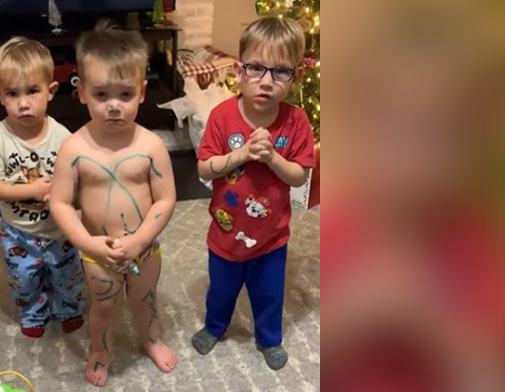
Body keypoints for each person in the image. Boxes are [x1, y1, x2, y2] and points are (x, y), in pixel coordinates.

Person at [49, 21, 178, 387]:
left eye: (124, 95)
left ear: (141, 92)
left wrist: (139, 241)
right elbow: (59, 204)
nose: (114, 107)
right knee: (104, 307)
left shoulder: (152, 145)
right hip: (97, 254)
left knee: (145, 301)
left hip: (145, 248)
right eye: (102, 95)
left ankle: (151, 340)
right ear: (83, 93)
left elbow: (166, 198)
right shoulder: (74, 148)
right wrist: (87, 243)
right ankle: (100, 351)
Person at [190, 16, 316, 371]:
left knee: (269, 295)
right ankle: (215, 326)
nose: (266, 81)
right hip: (226, 232)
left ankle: (269, 339)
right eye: (256, 68)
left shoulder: (297, 122)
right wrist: (242, 155)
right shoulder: (221, 116)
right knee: (221, 289)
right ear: (239, 70)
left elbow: (298, 177)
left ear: (295, 77)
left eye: (280, 72)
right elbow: (203, 169)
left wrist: (272, 157)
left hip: (272, 236)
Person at [0, 37, 84, 338]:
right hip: (18, 232)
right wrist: (31, 191)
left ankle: (68, 308)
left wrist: (66, 192)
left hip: (59, 229)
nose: (23, 103)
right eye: (13, 93)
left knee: (67, 274)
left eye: (32, 91)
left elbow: (76, 177)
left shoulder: (63, 136)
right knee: (23, 278)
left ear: (50, 91)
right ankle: (33, 313)